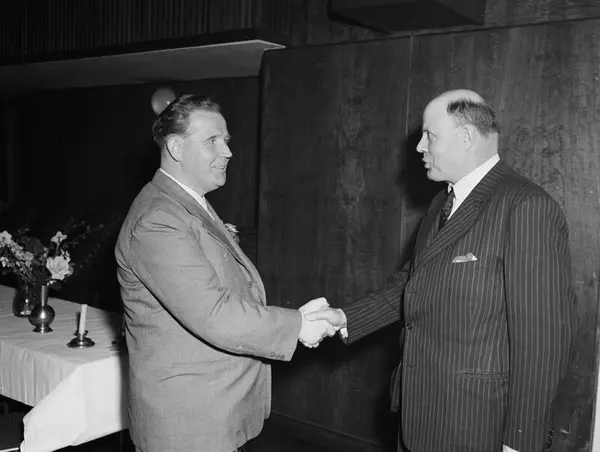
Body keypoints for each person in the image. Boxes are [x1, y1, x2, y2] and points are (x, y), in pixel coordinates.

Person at [306, 89, 577, 452]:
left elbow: (545, 340)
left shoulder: (526, 206)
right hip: (420, 415)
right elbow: (411, 285)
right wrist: (343, 317)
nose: (419, 147)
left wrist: (521, 440)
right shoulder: (442, 202)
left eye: (429, 136)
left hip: (477, 425)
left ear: (465, 138)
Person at [115, 94, 332, 452]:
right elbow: (214, 314)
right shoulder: (158, 220)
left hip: (211, 412)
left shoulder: (185, 204)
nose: (228, 151)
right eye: (212, 141)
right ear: (176, 148)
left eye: (226, 140)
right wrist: (298, 325)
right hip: (187, 425)